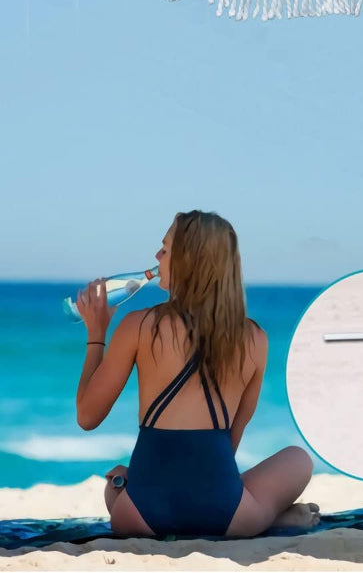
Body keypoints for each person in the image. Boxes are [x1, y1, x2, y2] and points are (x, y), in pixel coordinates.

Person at [74, 210, 317, 538]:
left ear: (190, 260)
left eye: (165, 248)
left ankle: (130, 486)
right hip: (227, 517)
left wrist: (97, 333)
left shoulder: (138, 325)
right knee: (298, 459)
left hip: (139, 518)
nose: (156, 256)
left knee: (116, 485)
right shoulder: (255, 339)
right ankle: (272, 517)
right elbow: (230, 440)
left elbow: (87, 416)